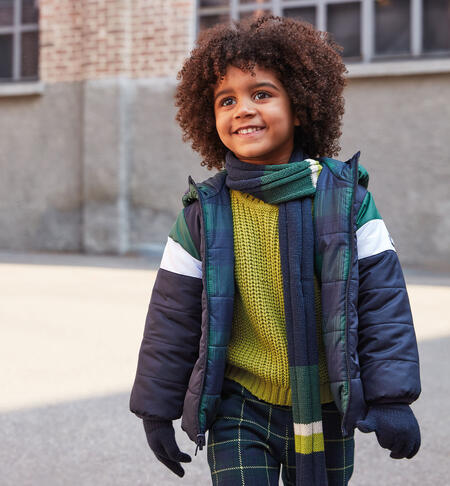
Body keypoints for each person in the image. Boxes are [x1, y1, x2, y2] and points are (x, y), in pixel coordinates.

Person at [130, 16, 421, 486]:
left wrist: (392, 400)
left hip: (326, 403)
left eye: (261, 94)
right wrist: (156, 409)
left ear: (301, 107)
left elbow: (383, 303)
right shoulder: (203, 213)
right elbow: (171, 316)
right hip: (238, 405)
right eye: (227, 100)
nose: (242, 109)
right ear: (210, 118)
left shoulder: (348, 201)